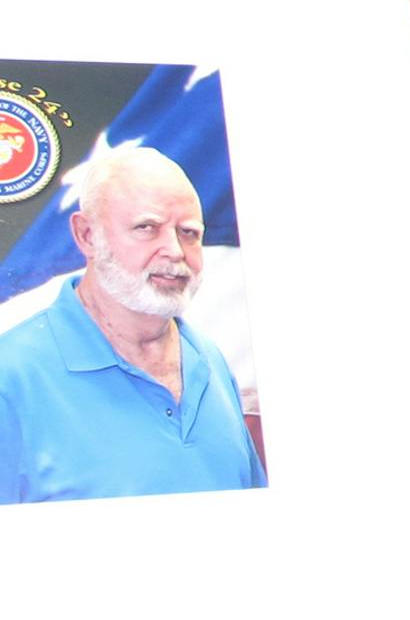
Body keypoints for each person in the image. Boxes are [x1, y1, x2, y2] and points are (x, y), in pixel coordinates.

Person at [0, 147, 265, 505]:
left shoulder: (209, 361)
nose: (174, 250)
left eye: (189, 233)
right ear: (86, 235)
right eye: (147, 228)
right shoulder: (12, 378)